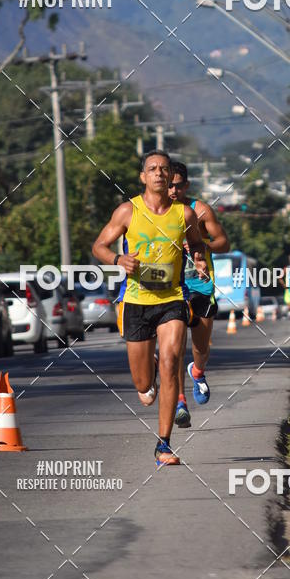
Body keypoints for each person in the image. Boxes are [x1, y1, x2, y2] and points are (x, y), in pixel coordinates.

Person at [92, 150, 208, 466]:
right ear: (143, 176)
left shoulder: (184, 214)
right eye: (152, 168)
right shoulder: (127, 211)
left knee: (171, 361)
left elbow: (197, 242)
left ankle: (164, 445)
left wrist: (198, 258)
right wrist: (118, 259)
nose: (158, 173)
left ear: (170, 177)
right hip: (136, 302)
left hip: (172, 299)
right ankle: (149, 372)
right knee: (144, 386)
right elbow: (99, 246)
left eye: (164, 169)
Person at [168, 161, 230, 429]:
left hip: (201, 286)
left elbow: (224, 242)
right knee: (174, 347)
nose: (172, 191)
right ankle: (180, 402)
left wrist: (201, 246)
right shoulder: (155, 213)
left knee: (200, 347)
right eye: (168, 185)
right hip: (171, 288)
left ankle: (198, 370)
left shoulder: (200, 210)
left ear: (187, 186)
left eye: (178, 186)